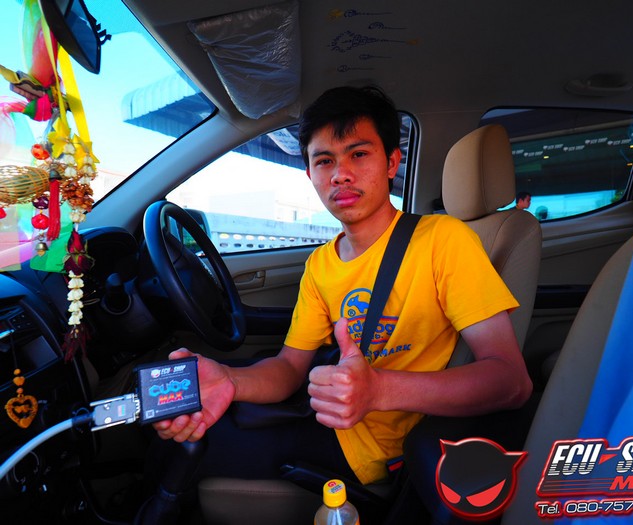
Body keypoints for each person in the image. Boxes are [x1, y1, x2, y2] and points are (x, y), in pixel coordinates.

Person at [153, 86, 533, 487]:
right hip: (324, 411)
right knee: (177, 428)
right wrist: (230, 380)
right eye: (324, 161)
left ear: (391, 162)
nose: (340, 174)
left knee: (180, 451)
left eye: (359, 154)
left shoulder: (444, 240)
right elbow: (289, 369)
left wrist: (378, 390)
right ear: (310, 174)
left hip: (377, 447)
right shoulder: (320, 264)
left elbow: (511, 381)